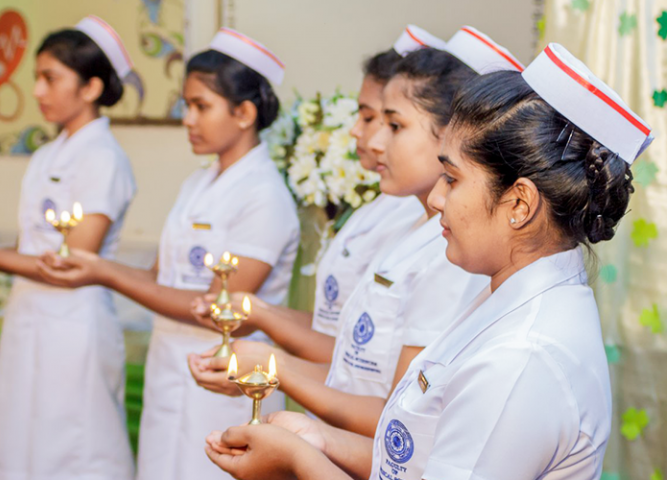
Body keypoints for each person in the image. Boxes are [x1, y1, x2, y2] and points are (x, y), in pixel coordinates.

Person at [205, 42, 651, 480]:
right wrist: (319, 441)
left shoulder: (519, 359)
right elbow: (420, 459)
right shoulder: (505, 296)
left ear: (519, 204)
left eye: (453, 179)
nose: (437, 199)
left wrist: (298, 462)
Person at [190, 27, 520, 439]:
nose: (372, 139)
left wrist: (274, 365)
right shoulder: (412, 225)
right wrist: (268, 348)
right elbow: (352, 362)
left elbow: (402, 415)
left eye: (392, 124)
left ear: (450, 132)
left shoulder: (456, 253)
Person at [36, 28, 300, 480]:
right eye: (186, 105)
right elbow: (161, 276)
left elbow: (223, 311)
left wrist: (104, 272)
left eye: (201, 106)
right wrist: (111, 272)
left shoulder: (265, 196)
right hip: (171, 363)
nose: (187, 119)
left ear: (244, 113)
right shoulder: (197, 184)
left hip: (229, 376)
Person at [0, 16, 138, 480]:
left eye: (50, 78)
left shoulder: (102, 158)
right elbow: (28, 246)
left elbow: (69, 262)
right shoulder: (46, 154)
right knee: (21, 440)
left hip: (74, 325)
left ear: (92, 87)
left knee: (72, 446)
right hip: (29, 316)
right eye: (36, 78)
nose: (37, 91)